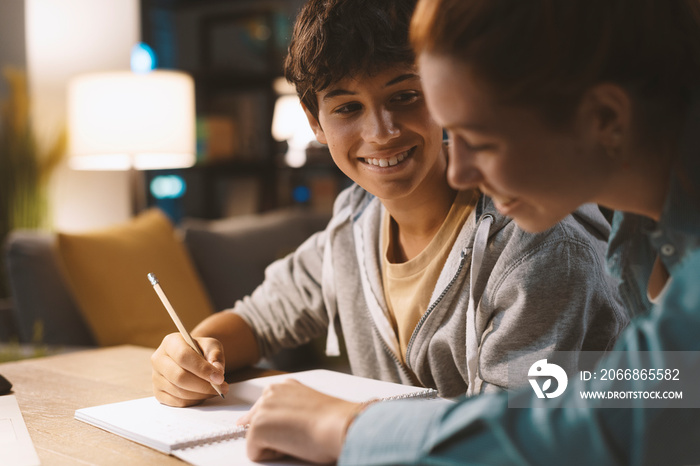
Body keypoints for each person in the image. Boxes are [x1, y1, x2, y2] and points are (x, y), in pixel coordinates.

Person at [238, 0, 700, 464]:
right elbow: (650, 393)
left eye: (480, 139)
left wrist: (342, 426)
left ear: (604, 120)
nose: (458, 172)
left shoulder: (557, 247)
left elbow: (589, 427)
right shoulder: (645, 240)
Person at [153, 0, 625, 452]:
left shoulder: (536, 243)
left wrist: (341, 422)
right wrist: (191, 353)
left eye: (404, 96)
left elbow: (509, 437)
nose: (381, 132)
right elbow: (259, 320)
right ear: (315, 122)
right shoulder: (355, 219)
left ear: (444, 92)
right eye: (347, 108)